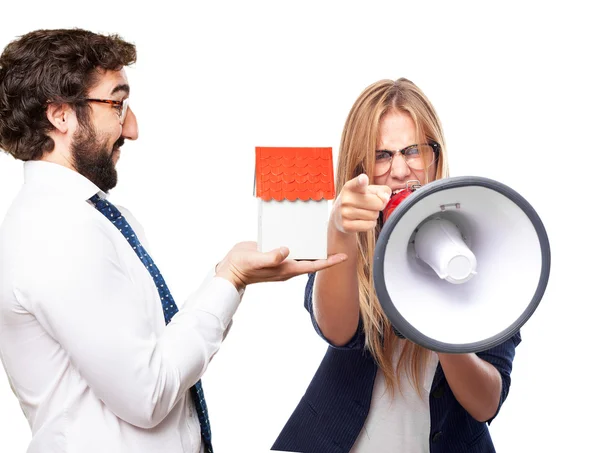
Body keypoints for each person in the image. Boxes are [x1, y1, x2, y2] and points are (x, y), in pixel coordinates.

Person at [0, 29, 346, 453]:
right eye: (117, 103)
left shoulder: (92, 218)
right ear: (61, 116)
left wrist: (230, 276)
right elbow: (148, 393)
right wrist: (230, 278)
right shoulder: (56, 230)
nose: (133, 126)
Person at [272, 78, 520, 453]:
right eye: (382, 155)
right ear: (360, 168)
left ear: (436, 155)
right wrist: (340, 232)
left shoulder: (490, 251)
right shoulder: (346, 243)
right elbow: (337, 331)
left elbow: (486, 403)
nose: (401, 170)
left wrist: (439, 323)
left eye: (414, 150)